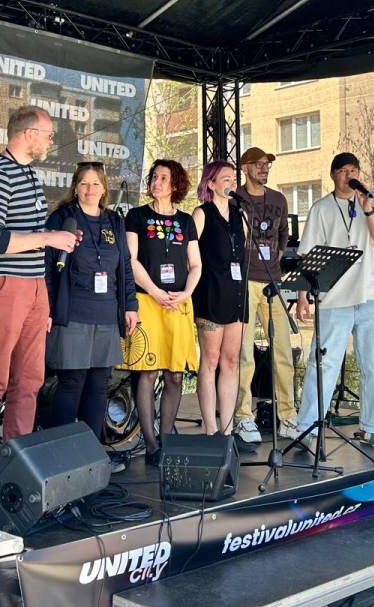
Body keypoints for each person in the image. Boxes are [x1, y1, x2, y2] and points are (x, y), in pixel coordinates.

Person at [0, 105, 78, 481]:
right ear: (28, 134)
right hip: (2, 285)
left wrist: (51, 242)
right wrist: (48, 238)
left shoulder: (29, 174)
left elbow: (26, 237)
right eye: (48, 135)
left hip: (32, 287)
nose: (50, 141)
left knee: (29, 381)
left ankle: (16, 469)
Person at [294, 153, 374, 449]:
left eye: (354, 170)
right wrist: (302, 297)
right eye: (343, 171)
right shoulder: (321, 208)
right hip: (334, 299)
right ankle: (308, 428)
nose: (350, 175)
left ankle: (373, 427)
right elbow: (306, 256)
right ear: (333, 175)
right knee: (323, 365)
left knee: (373, 365)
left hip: (370, 297)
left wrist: (368, 211)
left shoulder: (369, 203)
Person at [43, 162, 138, 436]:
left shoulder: (114, 221)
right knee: (72, 382)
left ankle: (91, 451)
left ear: (104, 189)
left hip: (107, 314)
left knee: (99, 385)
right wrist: (47, 308)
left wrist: (130, 305)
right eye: (84, 183)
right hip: (73, 313)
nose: (90, 189)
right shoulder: (62, 218)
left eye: (96, 183)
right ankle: (59, 451)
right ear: (75, 188)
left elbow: (125, 266)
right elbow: (47, 268)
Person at [123, 159, 201, 465]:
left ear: (175, 184)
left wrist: (186, 293)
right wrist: (155, 291)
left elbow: (196, 265)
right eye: (153, 177)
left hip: (178, 304)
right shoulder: (137, 216)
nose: (155, 182)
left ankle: (167, 438)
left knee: (175, 376)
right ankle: (151, 443)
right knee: (147, 371)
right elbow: (131, 260)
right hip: (147, 301)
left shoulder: (186, 221)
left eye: (163, 178)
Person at [234, 146, 298, 443]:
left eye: (267, 164)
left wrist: (278, 257)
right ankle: (243, 416)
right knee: (244, 353)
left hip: (273, 281)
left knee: (283, 350)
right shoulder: (235, 198)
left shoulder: (278, 199)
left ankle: (288, 416)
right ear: (245, 168)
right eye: (258, 164)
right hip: (245, 281)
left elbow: (284, 232)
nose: (264, 168)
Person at [191, 161, 248, 436]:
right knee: (210, 360)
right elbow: (190, 256)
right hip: (211, 292)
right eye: (225, 178)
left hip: (236, 293)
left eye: (233, 179)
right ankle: (210, 429)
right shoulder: (201, 213)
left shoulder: (240, 215)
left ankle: (227, 429)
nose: (232, 183)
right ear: (211, 183)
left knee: (231, 360)